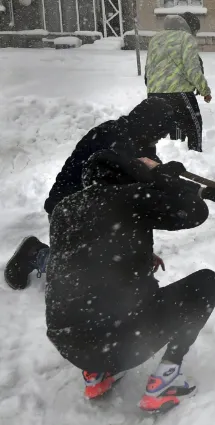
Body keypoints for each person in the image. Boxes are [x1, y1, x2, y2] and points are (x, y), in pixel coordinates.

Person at [45, 150, 215, 412]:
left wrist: (137, 252)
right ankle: (166, 381)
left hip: (69, 344)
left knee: (88, 299)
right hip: (123, 341)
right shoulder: (129, 197)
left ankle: (97, 375)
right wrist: (165, 178)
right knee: (207, 283)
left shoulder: (64, 209)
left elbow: (81, 256)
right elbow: (195, 212)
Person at [4, 97, 177, 291]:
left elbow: (154, 184)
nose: (160, 139)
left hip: (97, 210)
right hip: (68, 210)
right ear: (148, 125)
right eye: (159, 133)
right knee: (89, 276)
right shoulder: (112, 138)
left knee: (117, 267)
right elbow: (127, 195)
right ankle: (35, 254)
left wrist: (198, 189)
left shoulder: (141, 141)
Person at [145, 13, 212, 153]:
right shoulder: (186, 38)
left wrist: (155, 89)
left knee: (174, 127)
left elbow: (148, 69)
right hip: (179, 93)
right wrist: (205, 90)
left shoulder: (155, 39)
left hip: (154, 94)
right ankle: (195, 157)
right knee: (194, 126)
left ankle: (175, 156)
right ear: (189, 27)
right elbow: (192, 69)